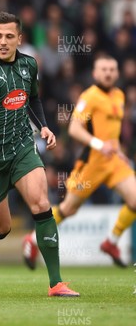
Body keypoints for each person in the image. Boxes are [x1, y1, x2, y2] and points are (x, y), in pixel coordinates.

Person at [0, 12, 79, 297]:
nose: (3, 41)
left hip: (22, 148)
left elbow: (32, 98)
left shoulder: (29, 65)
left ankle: (56, 283)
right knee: (1, 230)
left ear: (19, 39)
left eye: (9, 36)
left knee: (40, 203)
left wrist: (44, 126)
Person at [23, 54, 136, 269]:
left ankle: (111, 242)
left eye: (112, 69)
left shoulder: (120, 96)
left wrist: (118, 149)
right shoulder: (90, 96)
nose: (108, 73)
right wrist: (99, 145)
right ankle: (32, 239)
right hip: (92, 162)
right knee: (68, 209)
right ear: (95, 73)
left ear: (117, 73)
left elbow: (113, 132)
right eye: (104, 69)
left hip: (114, 162)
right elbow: (75, 128)